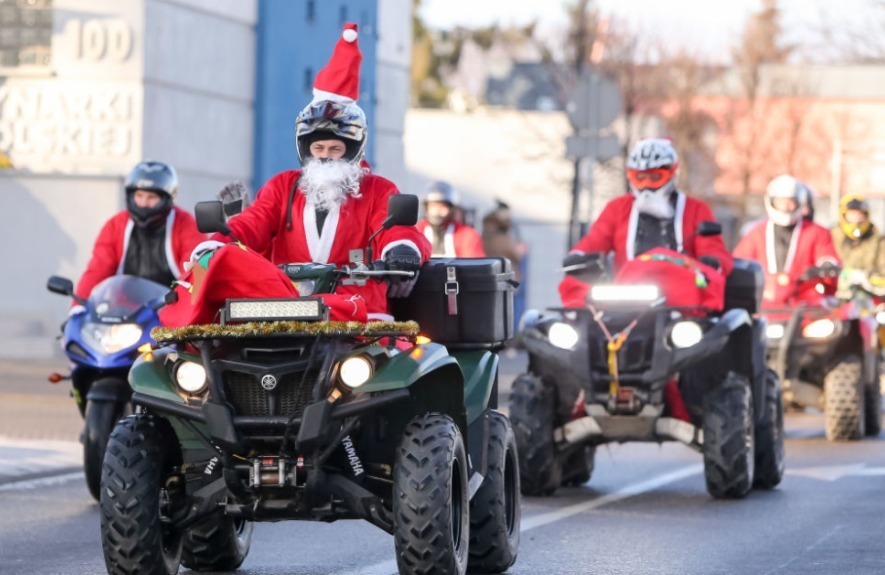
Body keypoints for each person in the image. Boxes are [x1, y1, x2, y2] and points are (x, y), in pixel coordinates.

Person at [187, 23, 431, 322]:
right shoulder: (283, 187)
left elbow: (395, 228)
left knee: (397, 364)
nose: (325, 156)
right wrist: (219, 242)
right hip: (282, 313)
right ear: (306, 149)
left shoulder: (378, 190)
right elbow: (253, 222)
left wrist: (401, 249)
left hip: (358, 316)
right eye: (319, 149)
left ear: (354, 149)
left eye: (335, 149)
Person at [559, 137, 733, 307]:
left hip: (680, 302)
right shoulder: (618, 209)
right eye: (640, 178)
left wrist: (712, 262)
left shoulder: (695, 210)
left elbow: (714, 249)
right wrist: (578, 256)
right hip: (624, 298)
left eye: (655, 177)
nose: (647, 185)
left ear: (672, 174)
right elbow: (595, 240)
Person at [73, 160, 205, 306]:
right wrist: (78, 308)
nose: (143, 203)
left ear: (167, 198)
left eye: (151, 197)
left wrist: (188, 309)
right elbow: (97, 270)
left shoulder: (186, 225)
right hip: (124, 315)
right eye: (139, 195)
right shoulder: (116, 225)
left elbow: (193, 272)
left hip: (171, 312)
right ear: (130, 195)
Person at [733, 174, 839, 307]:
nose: (785, 207)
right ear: (771, 201)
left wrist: (826, 265)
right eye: (781, 201)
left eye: (790, 202)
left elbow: (826, 254)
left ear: (799, 203)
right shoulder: (756, 232)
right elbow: (739, 260)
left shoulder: (817, 232)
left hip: (805, 302)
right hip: (763, 303)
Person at [416, 180, 485, 257]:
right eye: (433, 206)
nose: (437, 211)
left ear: (451, 209)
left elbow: (474, 264)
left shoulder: (467, 235)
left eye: (443, 207)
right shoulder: (416, 231)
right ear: (426, 207)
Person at [831, 194, 885, 293]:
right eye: (852, 215)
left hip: (868, 294)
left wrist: (867, 276)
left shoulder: (878, 241)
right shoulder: (831, 237)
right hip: (834, 293)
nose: (857, 219)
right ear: (843, 215)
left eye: (860, 215)